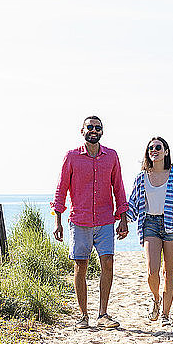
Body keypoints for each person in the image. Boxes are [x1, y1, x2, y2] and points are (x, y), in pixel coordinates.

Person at [52, 115, 129, 329]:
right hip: (80, 221)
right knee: (80, 266)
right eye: (90, 127)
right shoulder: (71, 157)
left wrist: (123, 218)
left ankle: (103, 314)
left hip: (105, 220)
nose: (93, 130)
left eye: (97, 127)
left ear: (102, 131)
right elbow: (61, 189)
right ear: (82, 130)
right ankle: (83, 316)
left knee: (108, 263)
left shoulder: (111, 156)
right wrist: (57, 220)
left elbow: (119, 188)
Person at [127, 137, 173, 326]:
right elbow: (133, 203)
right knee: (152, 270)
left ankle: (166, 314)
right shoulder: (142, 177)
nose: (154, 150)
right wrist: (123, 220)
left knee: (169, 271)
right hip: (150, 223)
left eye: (158, 147)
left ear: (166, 151)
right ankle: (156, 299)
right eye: (151, 148)